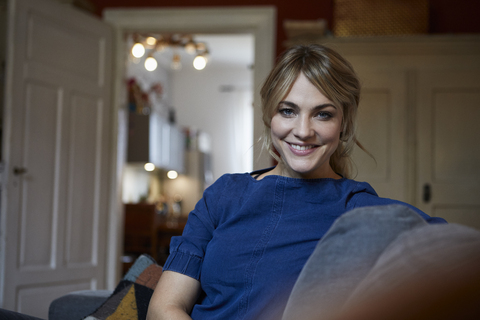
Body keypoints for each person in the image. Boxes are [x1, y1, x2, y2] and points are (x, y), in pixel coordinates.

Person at [146, 44, 446, 320]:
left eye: (323, 114)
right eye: (288, 111)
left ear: (344, 124)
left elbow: (456, 257)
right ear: (269, 117)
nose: (303, 131)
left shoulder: (358, 208)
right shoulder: (224, 195)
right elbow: (164, 308)